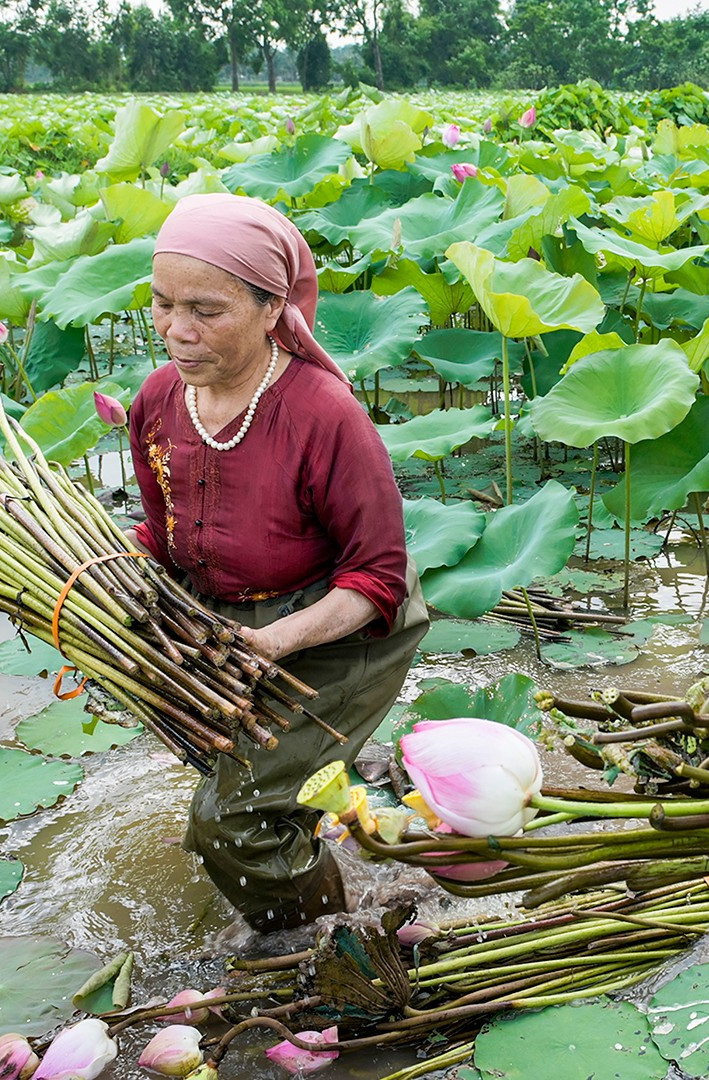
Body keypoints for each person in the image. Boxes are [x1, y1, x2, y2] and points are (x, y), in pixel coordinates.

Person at [127, 193, 429, 933]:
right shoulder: (160, 399)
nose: (177, 330)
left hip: (339, 632)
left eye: (206, 309)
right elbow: (162, 534)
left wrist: (277, 641)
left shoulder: (324, 415)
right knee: (244, 781)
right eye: (163, 304)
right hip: (227, 625)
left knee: (230, 822)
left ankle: (319, 945)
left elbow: (379, 576)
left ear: (272, 308)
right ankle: (331, 817)